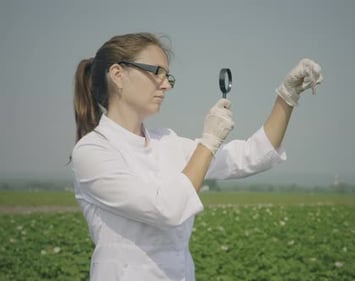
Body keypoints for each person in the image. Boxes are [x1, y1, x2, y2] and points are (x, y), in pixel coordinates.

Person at [71, 32, 323, 281]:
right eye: (156, 71)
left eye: (167, 75)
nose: (166, 84)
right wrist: (209, 141)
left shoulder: (168, 142)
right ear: (118, 75)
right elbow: (165, 209)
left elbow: (251, 155)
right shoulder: (93, 151)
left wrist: (287, 96)